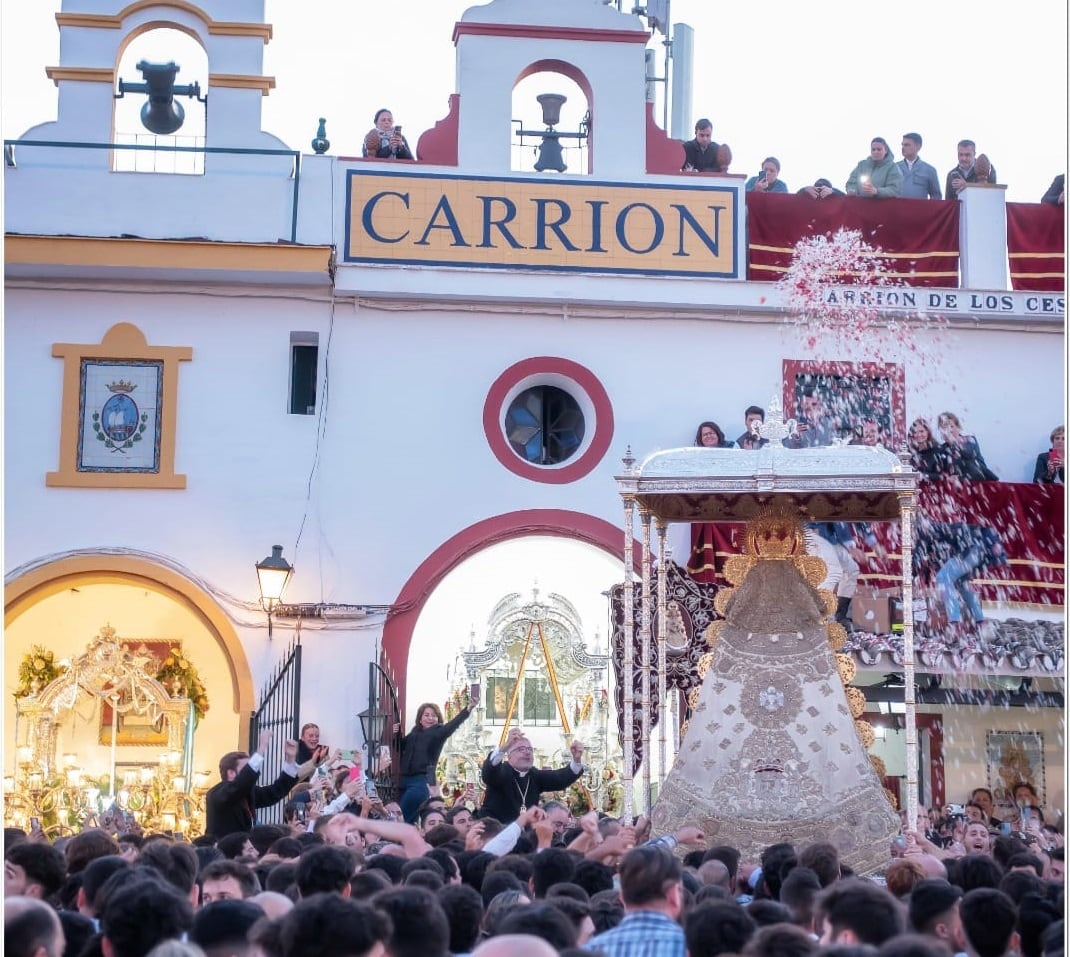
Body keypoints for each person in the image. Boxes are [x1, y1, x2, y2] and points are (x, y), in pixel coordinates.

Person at [585, 844, 686, 957]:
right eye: (680, 890)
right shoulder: (691, 947)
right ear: (673, 895)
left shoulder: (591, 949)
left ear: (622, 897)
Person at [205, 731, 299, 839]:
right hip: (223, 852)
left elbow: (275, 791)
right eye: (246, 768)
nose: (252, 771)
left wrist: (290, 760)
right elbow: (240, 785)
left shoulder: (248, 792)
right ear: (230, 773)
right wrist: (261, 748)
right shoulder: (216, 794)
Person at [479, 728, 584, 824]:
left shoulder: (534, 775)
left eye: (530, 749)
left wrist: (576, 760)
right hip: (494, 833)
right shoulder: (501, 771)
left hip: (524, 836)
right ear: (509, 755)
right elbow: (489, 772)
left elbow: (559, 779)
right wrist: (504, 747)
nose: (527, 753)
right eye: (521, 749)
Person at [396, 700, 474, 825]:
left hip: (421, 780)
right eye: (426, 715)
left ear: (438, 719)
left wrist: (468, 709)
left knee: (401, 815)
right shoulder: (414, 733)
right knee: (408, 818)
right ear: (420, 719)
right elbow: (399, 745)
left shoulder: (438, 732)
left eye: (434, 715)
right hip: (404, 780)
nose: (430, 718)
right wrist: (396, 732)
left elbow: (452, 725)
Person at [937, 412, 998, 481]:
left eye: (951, 426)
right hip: (958, 488)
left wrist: (953, 442)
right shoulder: (941, 449)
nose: (949, 431)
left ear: (958, 428)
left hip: (981, 483)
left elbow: (968, 455)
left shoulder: (970, 440)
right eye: (944, 428)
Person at [897, 133, 942, 199]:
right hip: (898, 208)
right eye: (902, 145)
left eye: (907, 145)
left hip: (920, 209)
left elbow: (936, 196)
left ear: (918, 146)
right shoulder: (894, 168)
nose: (903, 148)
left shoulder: (929, 170)